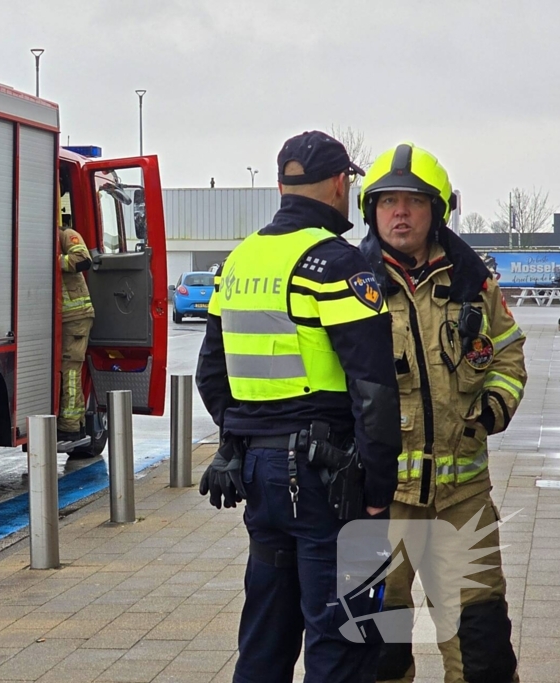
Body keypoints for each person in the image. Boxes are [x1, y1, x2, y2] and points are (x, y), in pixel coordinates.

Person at [197, 130, 402, 683]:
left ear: (283, 185)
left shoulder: (240, 260)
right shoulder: (337, 265)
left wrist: (243, 438)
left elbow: (211, 377)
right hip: (330, 484)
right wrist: (378, 494)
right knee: (347, 641)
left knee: (265, 637)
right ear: (340, 184)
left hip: (261, 478)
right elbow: (374, 391)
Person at [358, 143, 526, 683]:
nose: (400, 213)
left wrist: (496, 404)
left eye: (413, 201)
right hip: (376, 508)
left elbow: (508, 351)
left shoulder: (475, 285)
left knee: (483, 655)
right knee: (374, 655)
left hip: (464, 503)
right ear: (371, 212)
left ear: (438, 210)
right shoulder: (349, 287)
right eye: (387, 202)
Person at [57, 217, 95, 445]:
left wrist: (55, 261)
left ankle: (71, 426)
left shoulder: (66, 235)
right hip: (62, 318)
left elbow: (83, 260)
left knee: (70, 369)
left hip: (76, 317)